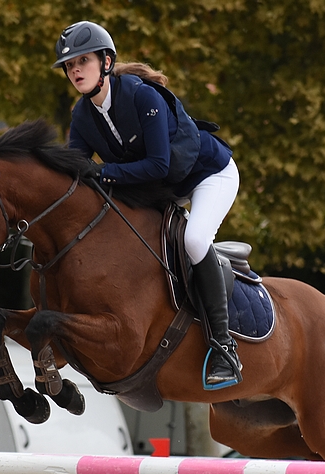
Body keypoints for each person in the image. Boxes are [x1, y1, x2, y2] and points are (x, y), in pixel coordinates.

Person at [52, 20, 242, 390]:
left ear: (106, 62)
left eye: (83, 61)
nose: (74, 70)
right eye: (69, 65)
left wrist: (104, 172)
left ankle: (224, 347)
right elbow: (77, 173)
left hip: (207, 176)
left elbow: (159, 164)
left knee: (195, 241)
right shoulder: (82, 115)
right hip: (158, 190)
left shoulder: (142, 96)